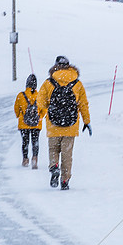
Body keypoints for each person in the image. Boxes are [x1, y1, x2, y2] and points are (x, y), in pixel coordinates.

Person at [37, 55, 91, 190]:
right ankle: (65, 180)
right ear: (69, 66)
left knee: (53, 149)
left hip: (53, 124)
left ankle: (54, 166)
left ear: (56, 66)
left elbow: (41, 103)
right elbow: (83, 104)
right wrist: (86, 121)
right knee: (67, 155)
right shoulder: (77, 84)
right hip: (71, 125)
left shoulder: (48, 83)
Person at [14, 74, 42, 169]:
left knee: (25, 142)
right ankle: (35, 159)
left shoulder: (21, 95)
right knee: (35, 141)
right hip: (36, 124)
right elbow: (44, 109)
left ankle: (25, 159)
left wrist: (19, 116)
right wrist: (39, 117)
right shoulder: (40, 95)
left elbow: (16, 109)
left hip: (24, 124)